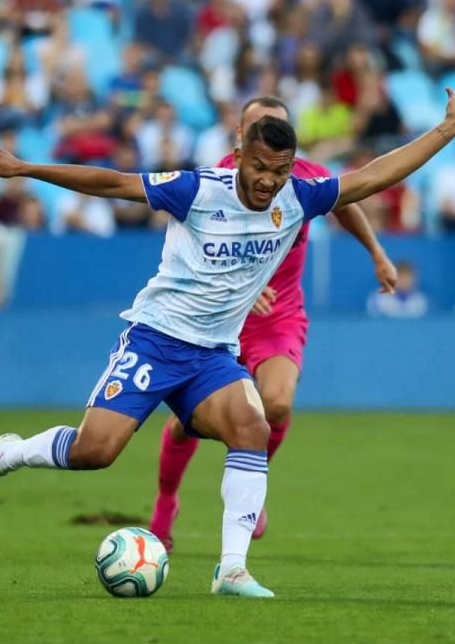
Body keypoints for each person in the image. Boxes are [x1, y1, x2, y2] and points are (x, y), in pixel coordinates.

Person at [0, 89, 455, 598]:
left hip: (213, 355)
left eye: (279, 171)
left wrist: (447, 129)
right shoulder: (197, 189)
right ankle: (8, 453)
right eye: (260, 167)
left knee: (254, 426)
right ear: (241, 155)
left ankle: (232, 570)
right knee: (95, 451)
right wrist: (26, 167)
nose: (268, 182)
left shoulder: (298, 197)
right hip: (155, 340)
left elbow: (374, 176)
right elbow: (110, 182)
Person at [149, 96, 396, 552]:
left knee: (277, 404)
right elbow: (189, 241)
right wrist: (237, 281)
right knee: (187, 425)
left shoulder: (303, 178)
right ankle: (166, 502)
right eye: (258, 129)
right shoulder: (219, 178)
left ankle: (252, 483)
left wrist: (377, 254)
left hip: (278, 312)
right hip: (221, 315)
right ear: (241, 141)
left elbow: (347, 201)